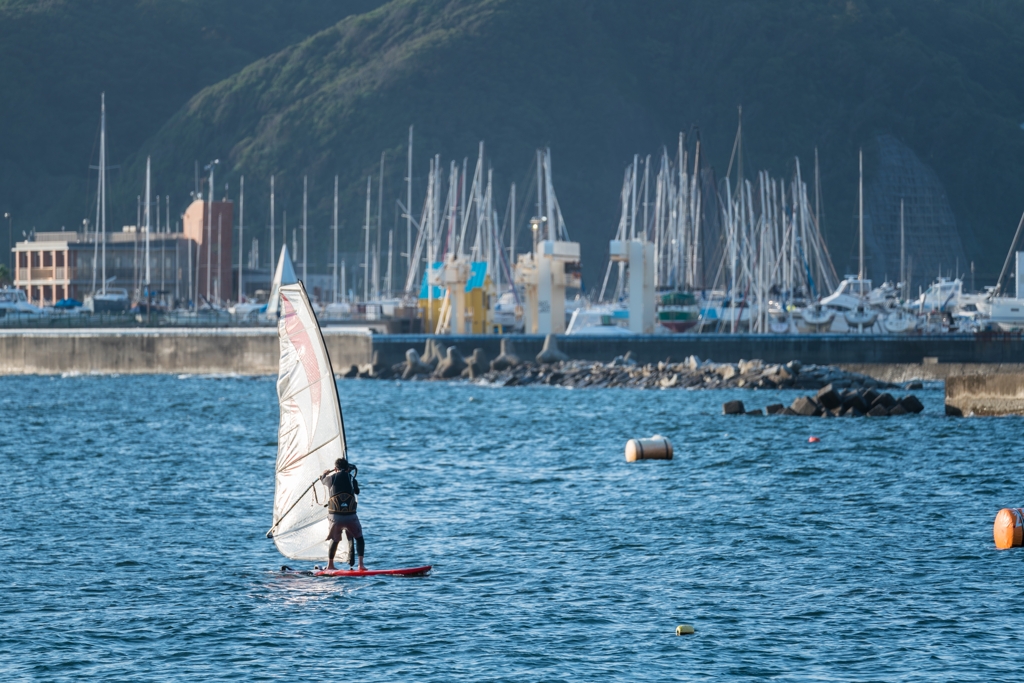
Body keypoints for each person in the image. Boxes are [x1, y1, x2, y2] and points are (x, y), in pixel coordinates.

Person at [320, 457, 365, 571]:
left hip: (335, 517)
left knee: (335, 539)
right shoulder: (351, 478)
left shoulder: (330, 478)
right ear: (347, 468)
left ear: (335, 469)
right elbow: (357, 491)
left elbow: (322, 480)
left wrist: (324, 474)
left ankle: (330, 565)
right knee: (359, 538)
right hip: (350, 516)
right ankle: (361, 565)